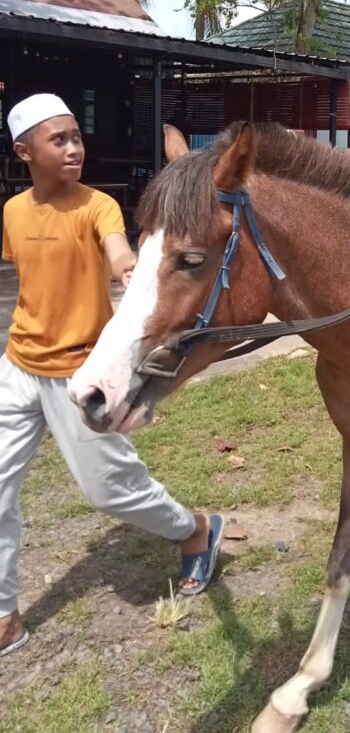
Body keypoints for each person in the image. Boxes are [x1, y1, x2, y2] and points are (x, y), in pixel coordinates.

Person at [0, 94, 223, 659]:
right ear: (24, 151)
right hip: (18, 367)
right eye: (60, 140)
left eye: (77, 136)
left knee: (110, 492)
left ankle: (193, 528)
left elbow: (118, 252)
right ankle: (4, 614)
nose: (75, 147)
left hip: (78, 370)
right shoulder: (13, 212)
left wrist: (132, 269)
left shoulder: (98, 206)